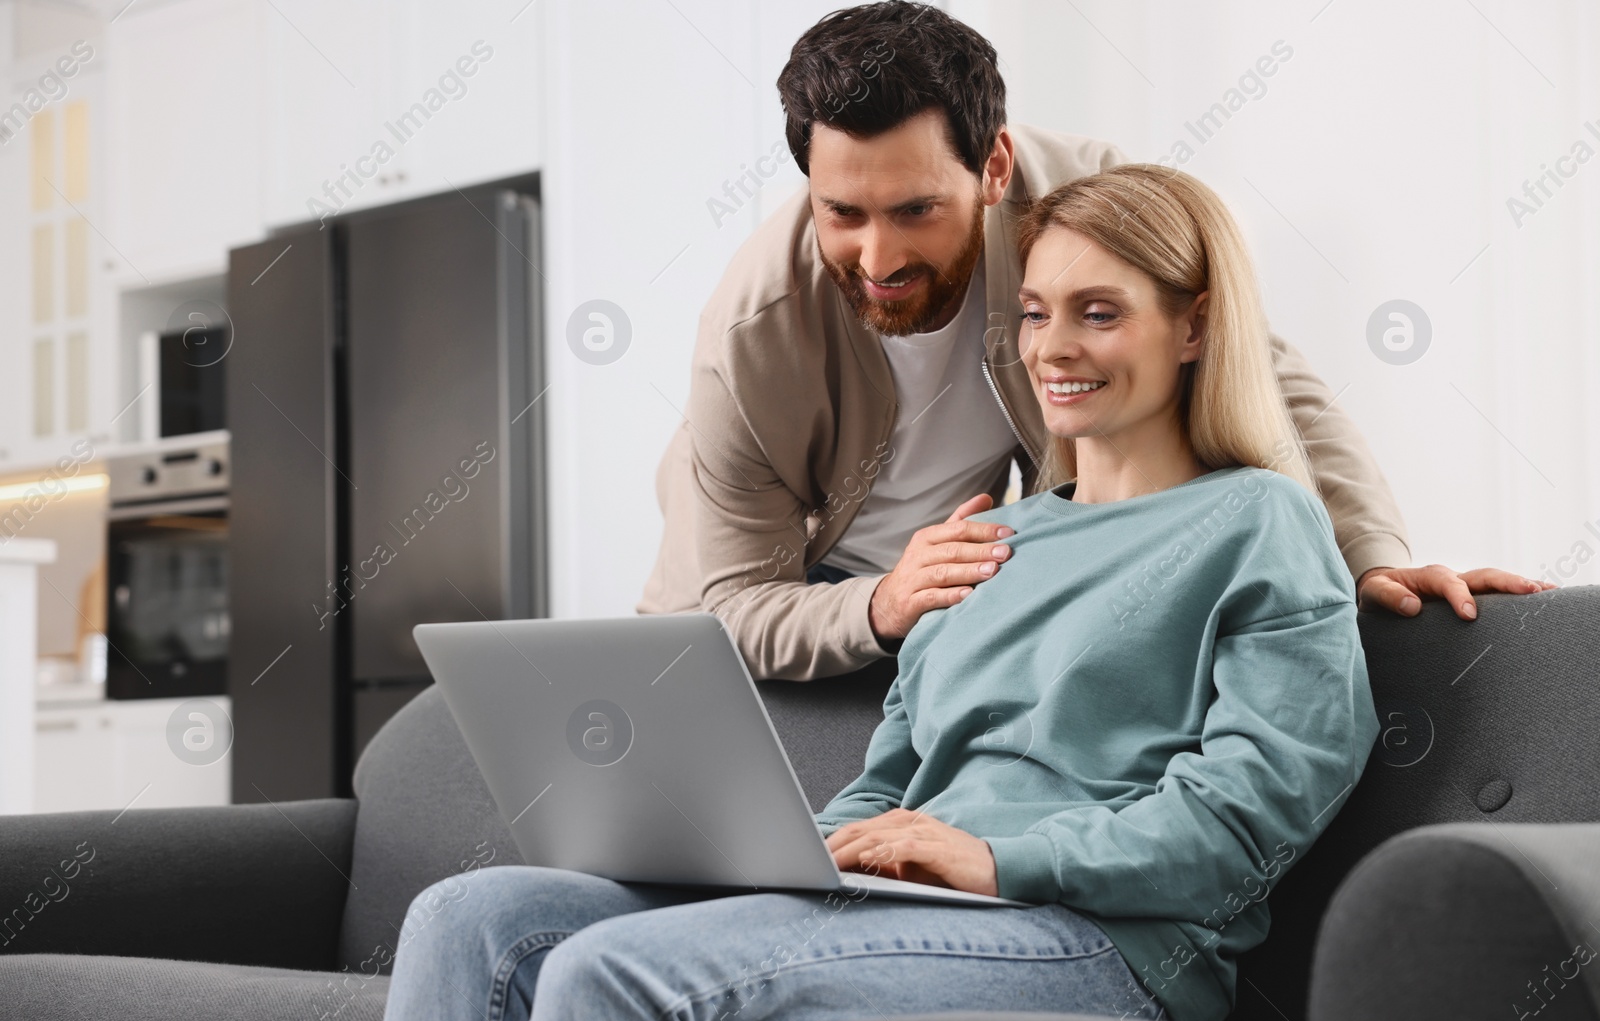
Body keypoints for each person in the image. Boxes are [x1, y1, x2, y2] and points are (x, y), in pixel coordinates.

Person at [372, 161, 1386, 1021]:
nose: (1054, 346)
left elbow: (1250, 814)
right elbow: (890, 779)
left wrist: (996, 858)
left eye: (1099, 311)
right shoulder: (984, 538)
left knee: (615, 973)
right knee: (470, 914)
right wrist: (781, 853)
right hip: (916, 902)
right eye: (1034, 312)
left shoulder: (1257, 519)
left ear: (1196, 324)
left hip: (1098, 937)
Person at [636, 0, 1551, 683]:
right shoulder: (751, 333)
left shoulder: (1081, 202)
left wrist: (1374, 559)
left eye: (917, 210)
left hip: (958, 599)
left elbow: (1260, 374)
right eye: (842, 213)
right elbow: (739, 605)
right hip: (775, 612)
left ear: (993, 166)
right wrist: (879, 602)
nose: (878, 257)